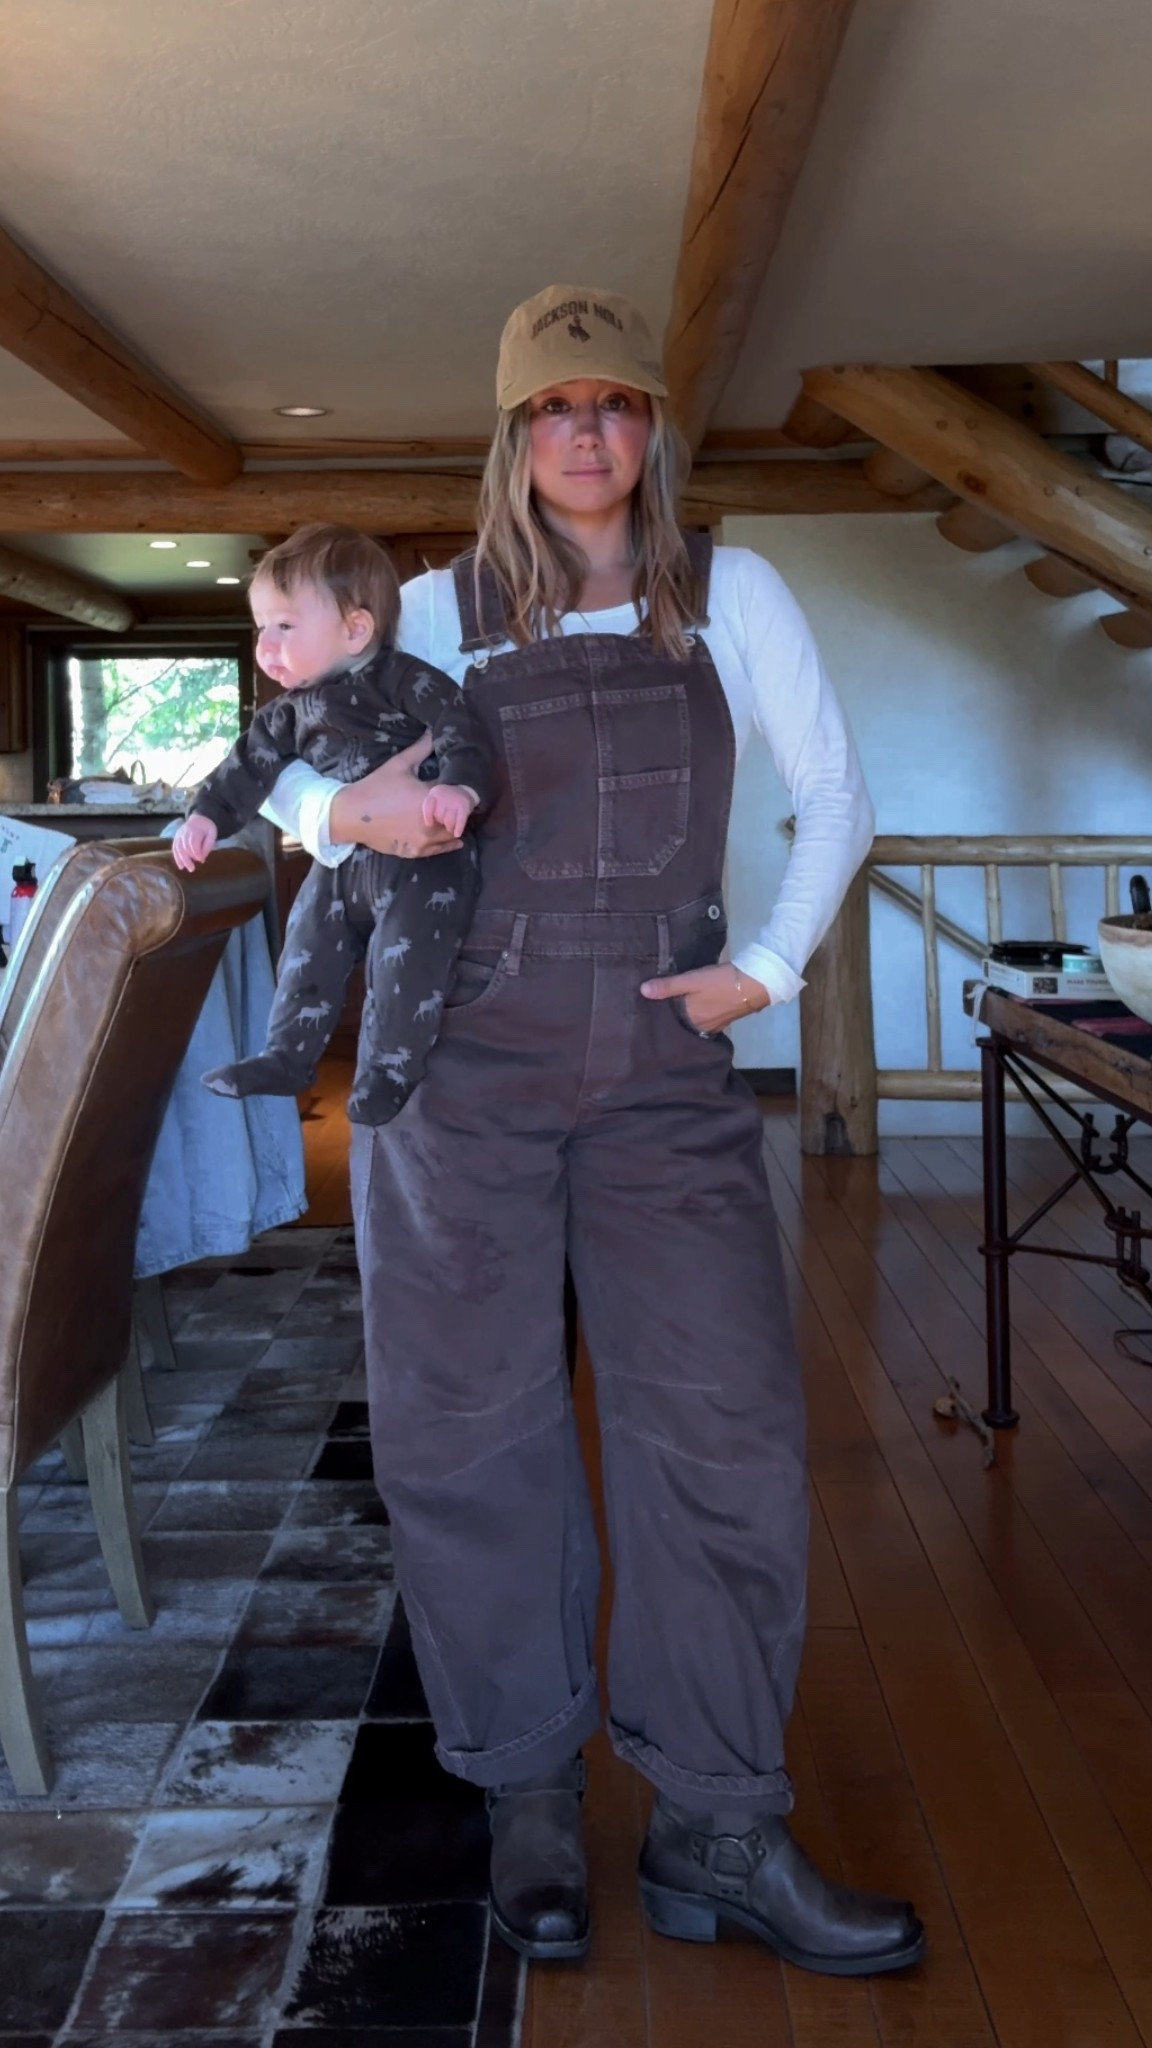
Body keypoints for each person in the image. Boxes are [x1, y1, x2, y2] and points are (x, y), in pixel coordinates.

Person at [263, 284, 924, 1978]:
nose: (586, 434)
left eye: (615, 403)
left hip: (659, 1083)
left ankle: (714, 1814)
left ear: (650, 428)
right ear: (511, 432)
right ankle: (529, 1787)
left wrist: (761, 969)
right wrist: (345, 807)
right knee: (467, 1428)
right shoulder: (417, 608)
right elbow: (259, 766)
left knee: (719, 1424)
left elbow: (835, 793)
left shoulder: (733, 593)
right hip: (455, 1084)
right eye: (553, 406)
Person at [172, 524, 492, 1125]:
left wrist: (461, 787)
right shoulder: (282, 714)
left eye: (285, 626)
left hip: (426, 859)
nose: (266, 644)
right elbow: (245, 769)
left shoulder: (405, 677)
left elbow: (461, 729)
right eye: (261, 626)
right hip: (340, 863)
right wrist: (205, 817)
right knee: (305, 950)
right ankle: (286, 1057)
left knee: (408, 964)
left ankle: (391, 1069)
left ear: (355, 629)